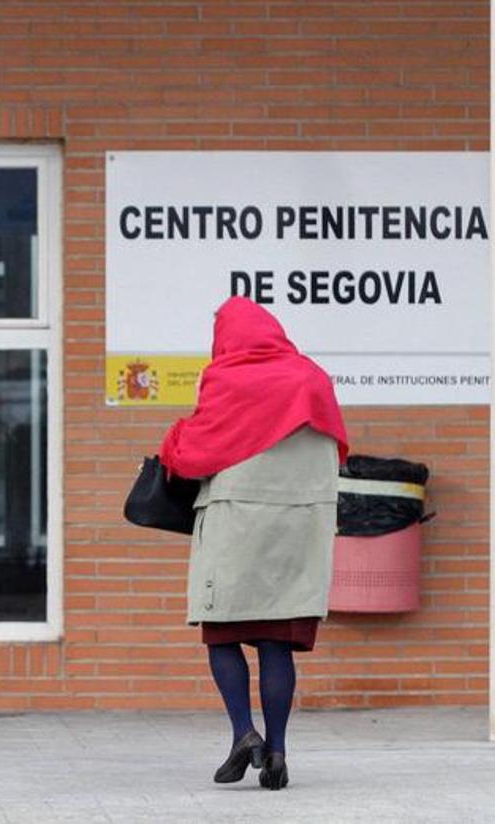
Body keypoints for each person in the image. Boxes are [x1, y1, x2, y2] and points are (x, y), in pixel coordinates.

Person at [159, 296, 348, 790]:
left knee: (222, 634)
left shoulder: (225, 380)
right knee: (275, 640)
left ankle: (245, 733)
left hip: (235, 526)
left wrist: (174, 437)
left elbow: (194, 454)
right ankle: (279, 750)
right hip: (298, 531)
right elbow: (336, 452)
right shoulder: (312, 380)